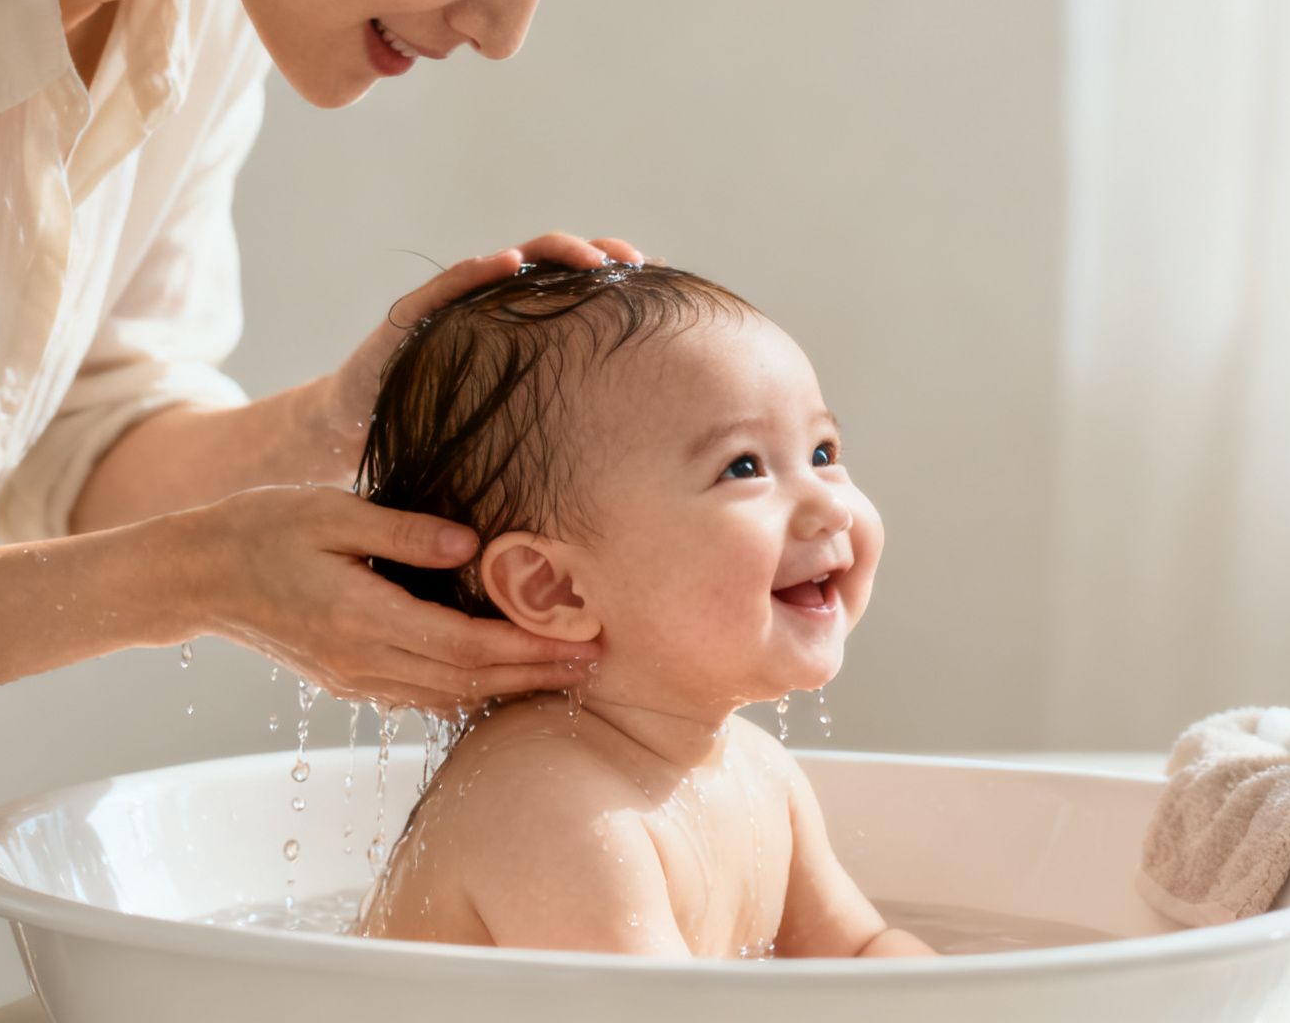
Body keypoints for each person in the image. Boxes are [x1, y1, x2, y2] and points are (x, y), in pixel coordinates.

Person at [0, 0, 725, 1017]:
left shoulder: (201, 10)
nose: (505, 29)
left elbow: (85, 439)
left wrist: (339, 424)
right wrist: (201, 577)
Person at [354, 264, 935, 959]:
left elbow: (861, 952)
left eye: (822, 452)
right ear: (556, 590)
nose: (832, 504)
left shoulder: (760, 771)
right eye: (744, 467)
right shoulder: (554, 808)